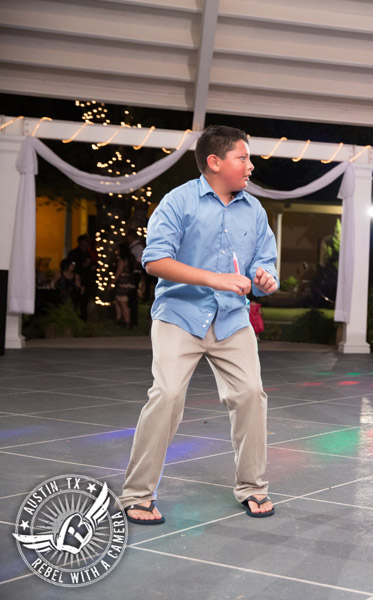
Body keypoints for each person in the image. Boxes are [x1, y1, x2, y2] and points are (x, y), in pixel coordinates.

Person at [119, 125, 279, 524]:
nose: (250, 164)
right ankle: (137, 494)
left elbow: (265, 260)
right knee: (168, 394)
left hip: (232, 319)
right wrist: (215, 278)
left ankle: (253, 487)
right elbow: (154, 260)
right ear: (215, 162)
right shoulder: (178, 202)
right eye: (242, 157)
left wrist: (266, 277)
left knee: (250, 395)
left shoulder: (254, 209)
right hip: (180, 315)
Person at [113, 242, 136, 328]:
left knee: (123, 304)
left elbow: (118, 274)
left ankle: (127, 322)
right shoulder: (130, 259)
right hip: (127, 283)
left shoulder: (122, 260)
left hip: (123, 284)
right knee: (118, 302)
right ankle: (120, 320)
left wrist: (111, 283)